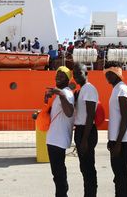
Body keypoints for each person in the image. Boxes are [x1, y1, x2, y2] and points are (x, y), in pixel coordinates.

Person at [104, 62, 127, 197]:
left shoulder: (122, 89)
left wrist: (118, 143)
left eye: (110, 73)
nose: (107, 76)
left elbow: (125, 117)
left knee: (121, 174)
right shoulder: (116, 89)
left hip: (121, 140)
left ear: (117, 74)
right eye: (106, 73)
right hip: (116, 139)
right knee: (118, 174)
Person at [45, 66, 75, 197]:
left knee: (58, 174)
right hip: (54, 138)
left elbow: (69, 112)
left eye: (62, 76)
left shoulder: (66, 93)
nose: (58, 77)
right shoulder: (61, 93)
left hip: (58, 139)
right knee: (57, 174)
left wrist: (61, 94)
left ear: (68, 80)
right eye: (57, 75)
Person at [73, 63, 99, 197]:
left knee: (88, 167)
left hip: (86, 131)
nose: (76, 76)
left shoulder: (89, 89)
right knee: (84, 167)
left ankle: (90, 194)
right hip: (82, 130)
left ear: (86, 73)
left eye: (79, 73)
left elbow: (90, 115)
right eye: (74, 74)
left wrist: (84, 139)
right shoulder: (82, 90)